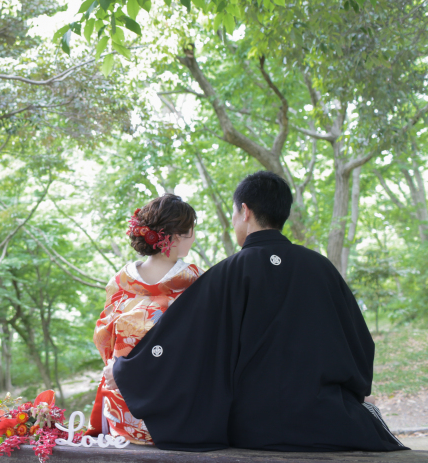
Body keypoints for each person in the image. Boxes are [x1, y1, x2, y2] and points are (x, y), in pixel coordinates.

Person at [105, 171, 406, 452]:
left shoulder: (225, 276)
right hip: (329, 422)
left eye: (235, 214)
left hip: (253, 428)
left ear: (245, 212)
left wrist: (126, 371)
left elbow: (180, 344)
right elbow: (361, 346)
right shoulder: (321, 268)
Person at [86, 193, 203, 444]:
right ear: (174, 237)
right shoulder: (197, 282)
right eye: (191, 231)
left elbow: (103, 339)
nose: (193, 238)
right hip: (179, 406)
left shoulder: (120, 282)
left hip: (122, 404)